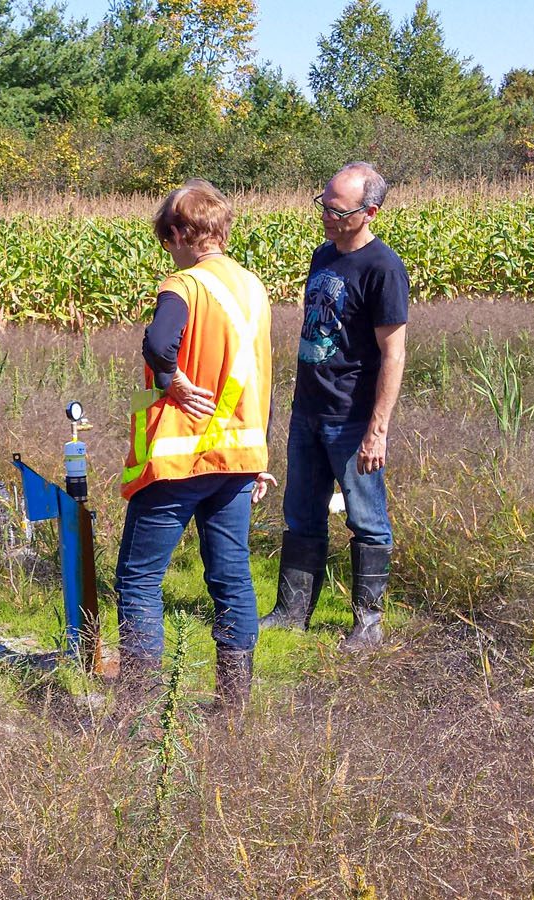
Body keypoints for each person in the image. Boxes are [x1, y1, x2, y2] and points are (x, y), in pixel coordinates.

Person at [116, 179, 275, 713]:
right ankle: (232, 710)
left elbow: (159, 345)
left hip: (179, 457)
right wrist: (259, 462)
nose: (170, 249)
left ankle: (137, 711)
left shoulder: (184, 285)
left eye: (170, 239)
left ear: (183, 232)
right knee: (231, 576)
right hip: (238, 459)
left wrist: (173, 382)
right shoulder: (253, 288)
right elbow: (257, 376)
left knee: (139, 581)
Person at [260, 162, 408, 651]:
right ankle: (291, 613)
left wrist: (376, 430)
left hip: (351, 419)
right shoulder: (323, 256)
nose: (325, 214)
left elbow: (393, 353)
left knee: (366, 520)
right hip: (308, 412)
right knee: (300, 514)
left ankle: (368, 623)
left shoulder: (383, 269)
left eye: (336, 209)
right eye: (321, 204)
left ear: (369, 212)